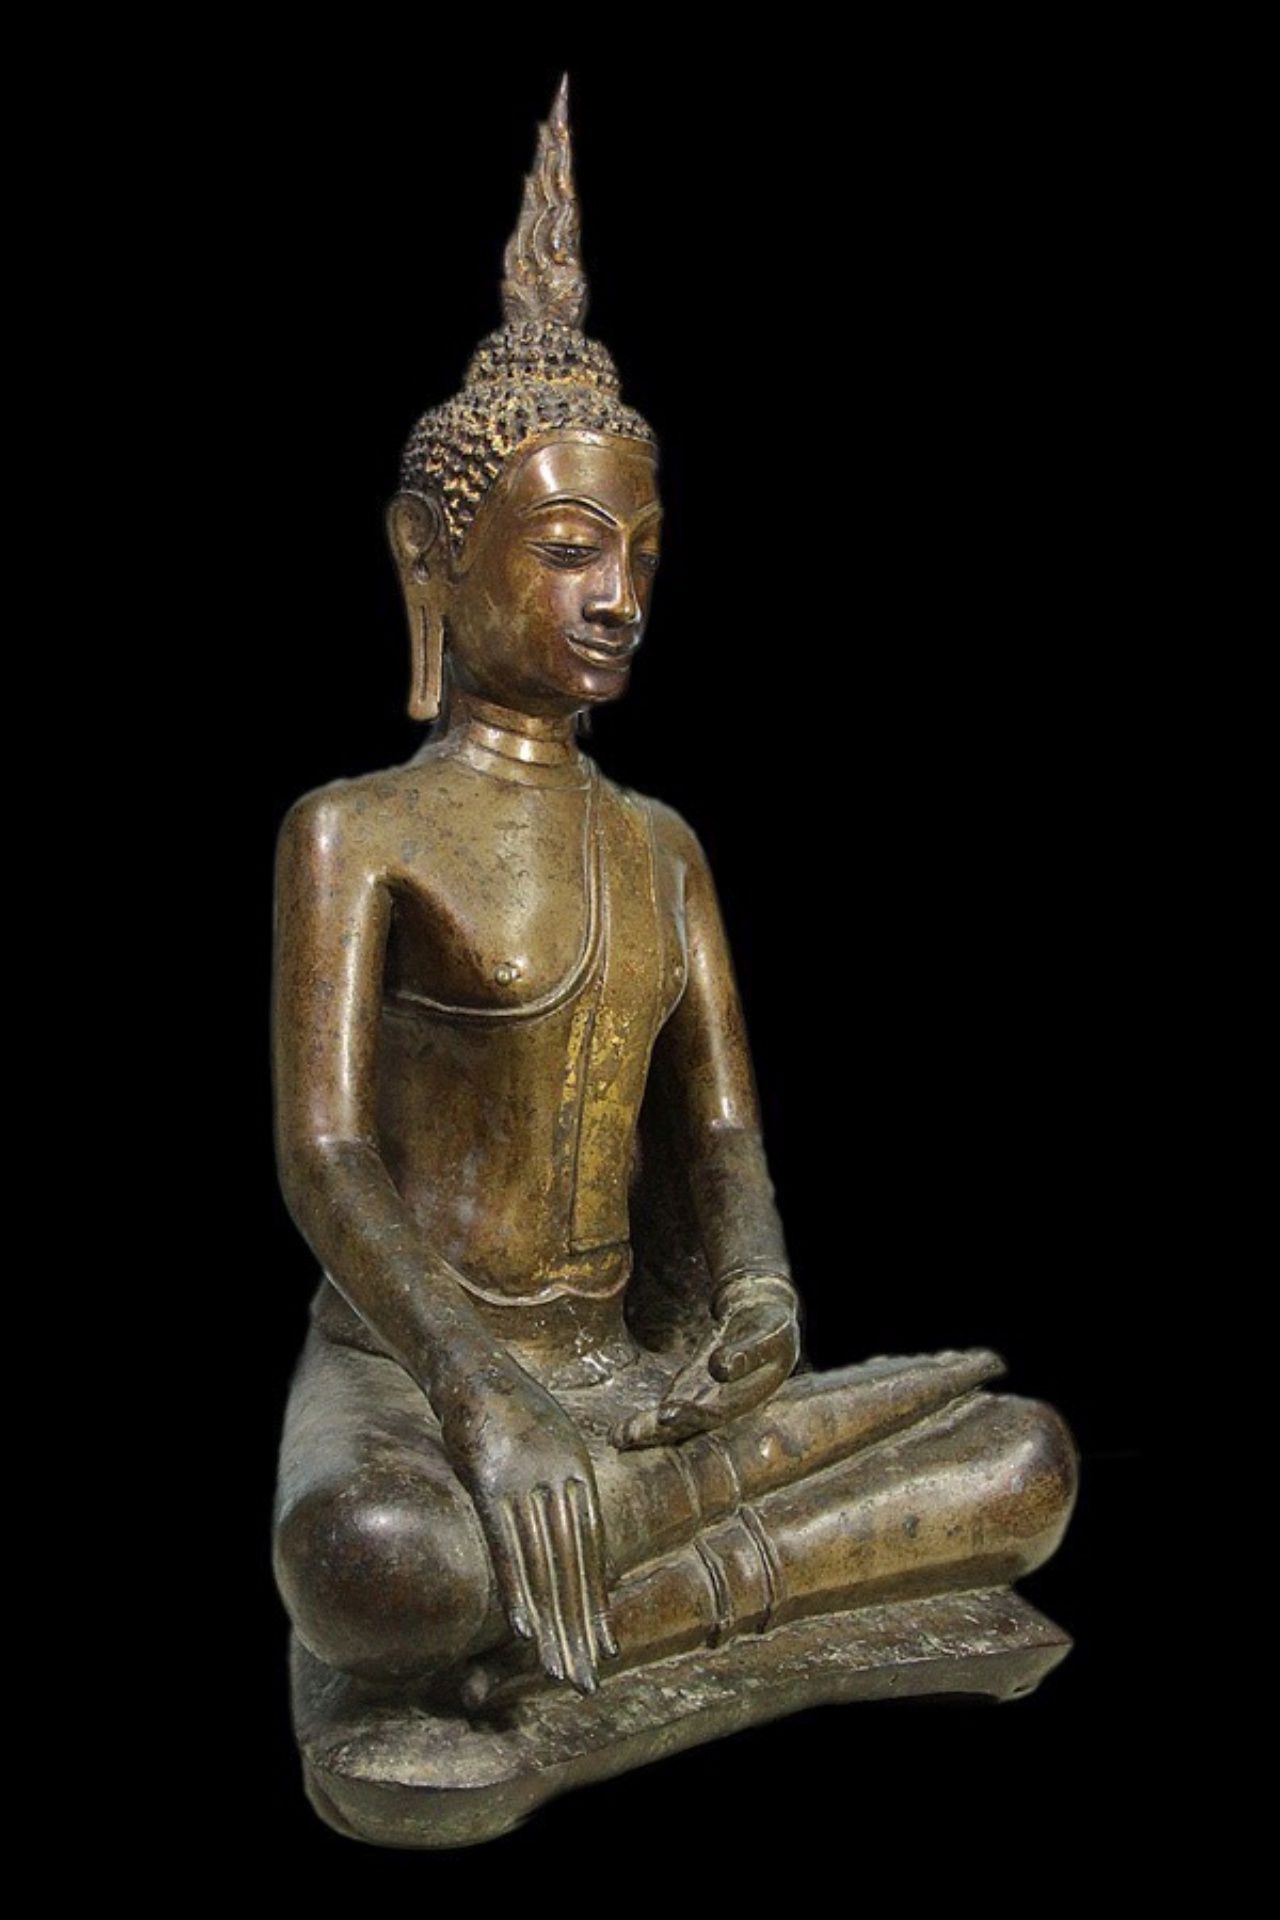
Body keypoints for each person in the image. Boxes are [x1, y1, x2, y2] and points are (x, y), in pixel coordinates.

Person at [270, 77, 1077, 1713]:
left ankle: (582, 1622)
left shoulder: (662, 845)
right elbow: (327, 1157)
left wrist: (759, 1300)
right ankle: (645, 1585)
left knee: (1025, 1460)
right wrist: (478, 1393)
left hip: (633, 1379)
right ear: (432, 556)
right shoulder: (358, 834)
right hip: (417, 1382)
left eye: (642, 550)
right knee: (375, 1561)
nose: (619, 594)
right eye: (571, 546)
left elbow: (718, 1136)